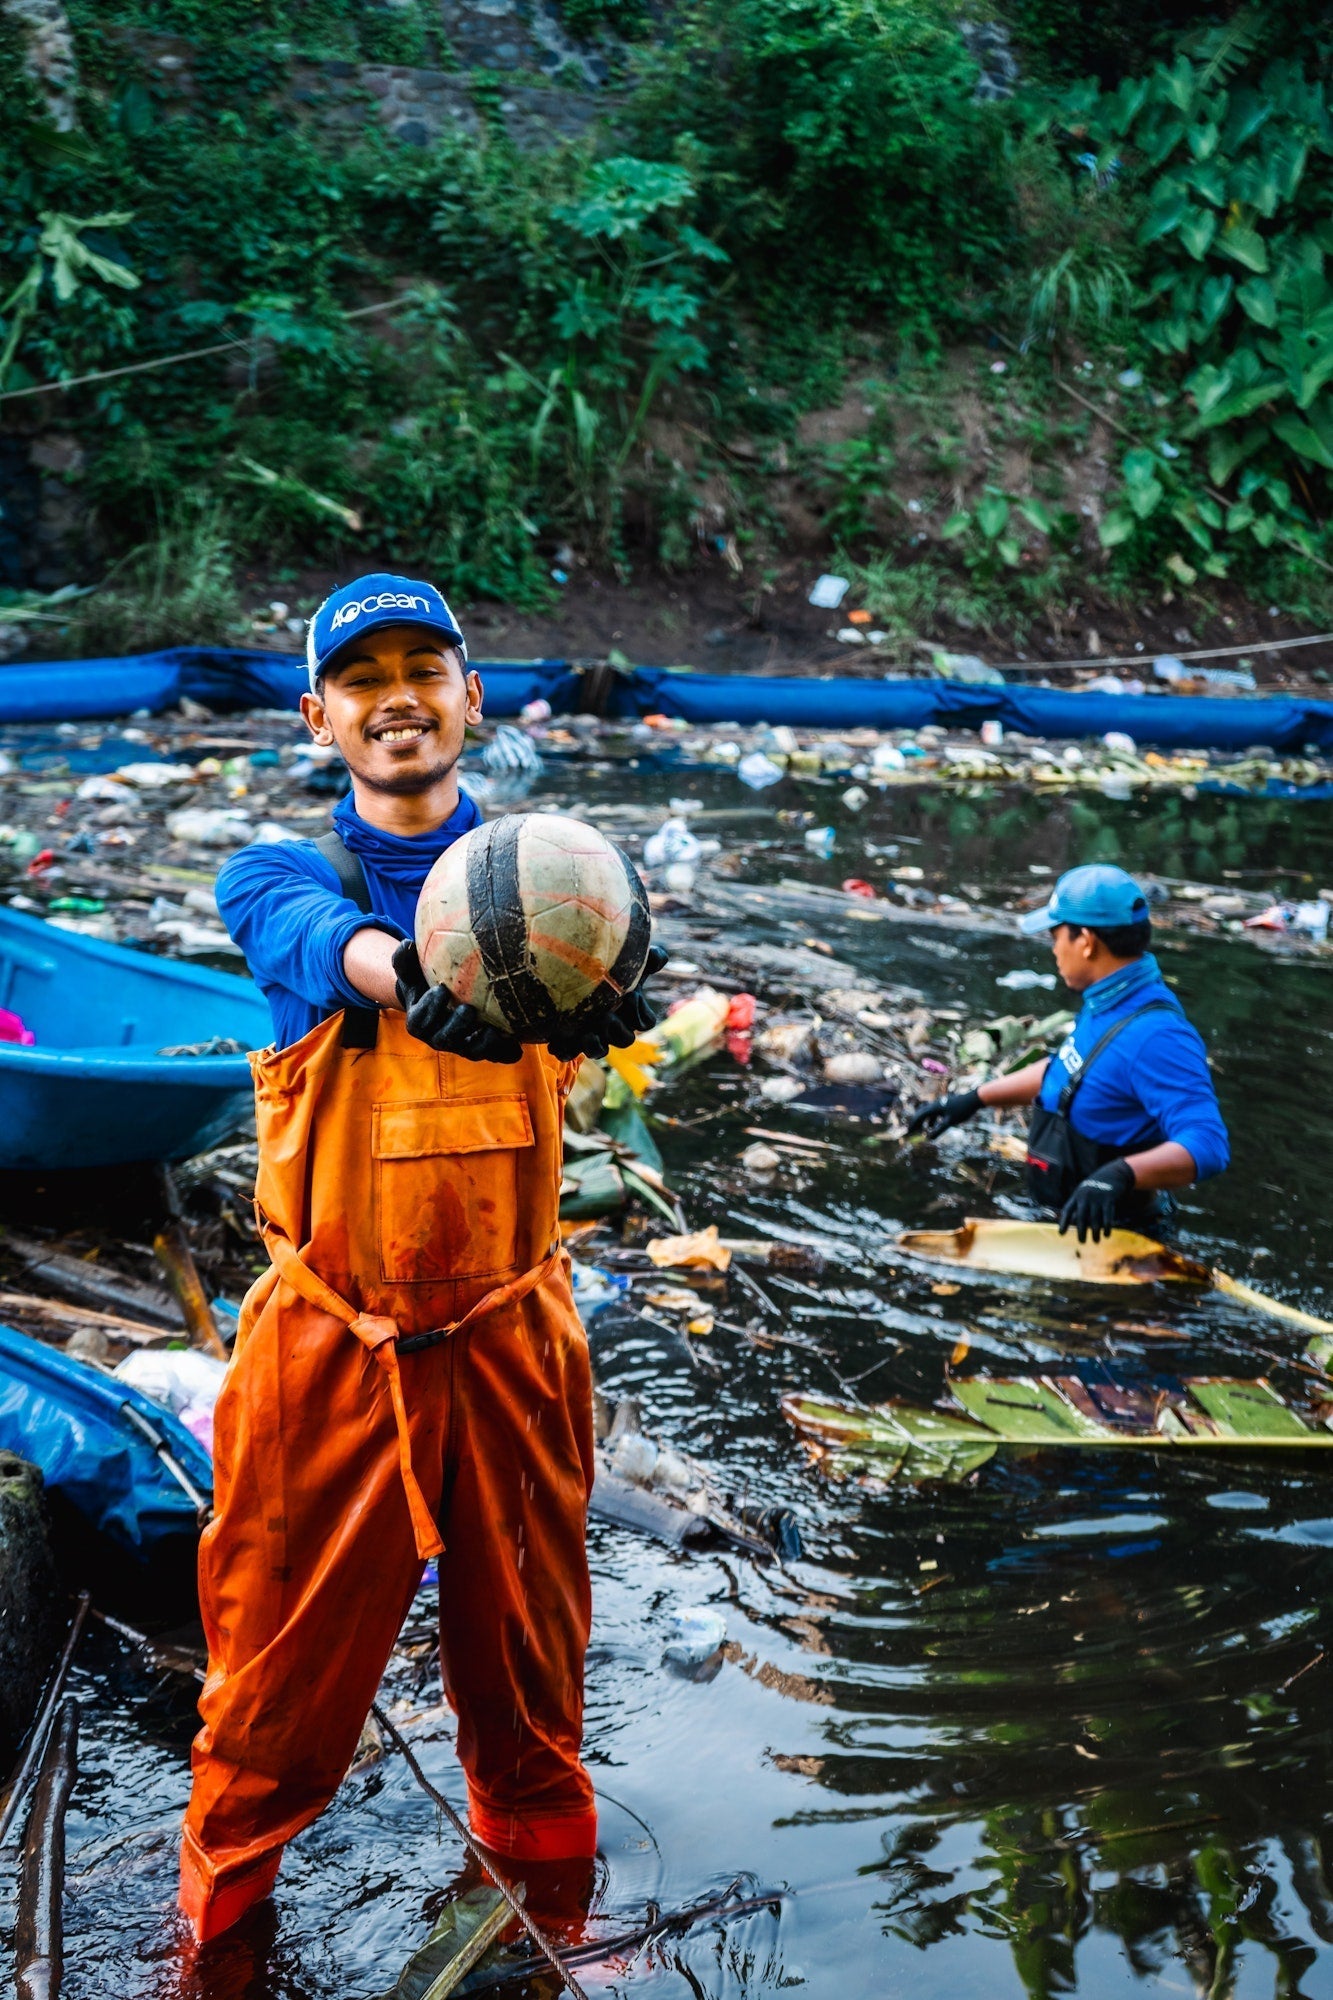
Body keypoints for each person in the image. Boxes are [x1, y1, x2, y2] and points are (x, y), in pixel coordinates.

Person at [179, 573, 660, 1944]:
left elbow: (605, 990)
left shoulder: (559, 879)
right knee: (269, 1704)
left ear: (470, 696)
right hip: (332, 1347)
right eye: (363, 678)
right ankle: (210, 1957)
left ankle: (551, 1936)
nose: (397, 699)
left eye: (424, 669)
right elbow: (316, 945)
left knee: (534, 1690)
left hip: (516, 1341)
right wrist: (414, 974)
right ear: (318, 715)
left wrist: (619, 972)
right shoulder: (282, 875)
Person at [907, 863, 1229, 1241]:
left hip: (1119, 1237)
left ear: (1086, 941)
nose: (1054, 950)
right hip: (1060, 1220)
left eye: (1055, 936)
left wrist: (1119, 1175)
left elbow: (1208, 1144)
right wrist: (974, 1099)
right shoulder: (1108, 1000)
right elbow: (1068, 1070)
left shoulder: (1159, 1036)